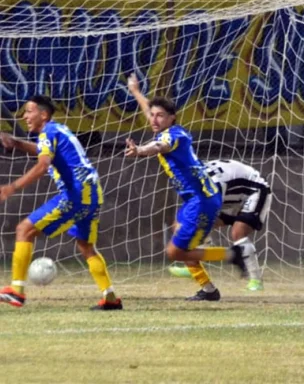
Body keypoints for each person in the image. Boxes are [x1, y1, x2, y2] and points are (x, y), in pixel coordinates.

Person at [126, 74, 258, 287]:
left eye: (160, 116)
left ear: (172, 118)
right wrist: (135, 92)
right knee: (179, 236)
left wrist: (140, 149)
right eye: (153, 115)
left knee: (175, 252)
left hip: (202, 200)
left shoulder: (175, 135)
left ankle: (233, 255)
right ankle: (208, 289)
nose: (154, 119)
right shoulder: (163, 129)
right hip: (197, 199)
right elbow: (148, 112)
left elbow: (160, 147)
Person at [0, 95, 121, 310]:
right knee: (85, 245)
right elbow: (42, 151)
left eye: (29, 111)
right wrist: (17, 143)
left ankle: (17, 291)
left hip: (76, 194)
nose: (25, 116)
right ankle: (109, 297)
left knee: (24, 229)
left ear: (43, 115)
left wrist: (13, 187)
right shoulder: (58, 130)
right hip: (92, 193)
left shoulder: (48, 132)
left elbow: (42, 164)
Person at [169, 159, 272, 298]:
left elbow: (209, 210)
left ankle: (255, 280)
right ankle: (202, 280)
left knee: (237, 232)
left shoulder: (214, 184)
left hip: (254, 191)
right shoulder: (194, 177)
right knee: (181, 225)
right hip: (230, 195)